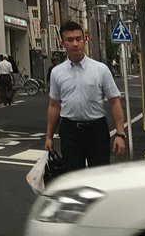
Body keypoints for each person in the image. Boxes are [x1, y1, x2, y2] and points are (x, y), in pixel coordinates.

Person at [44, 19, 128, 174]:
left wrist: (120, 134)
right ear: (63, 43)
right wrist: (49, 136)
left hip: (96, 130)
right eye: (70, 40)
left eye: (78, 39)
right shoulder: (57, 72)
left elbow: (114, 101)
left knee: (99, 176)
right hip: (69, 130)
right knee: (73, 178)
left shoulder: (100, 69)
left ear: (84, 40)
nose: (75, 44)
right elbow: (54, 105)